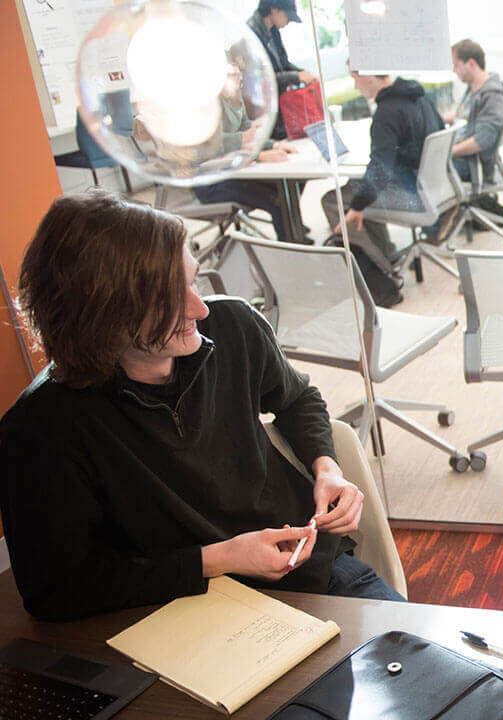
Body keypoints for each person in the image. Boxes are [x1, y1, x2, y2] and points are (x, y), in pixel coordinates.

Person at [0, 192, 404, 622]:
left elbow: (297, 399)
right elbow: (55, 590)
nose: (198, 306)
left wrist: (328, 469)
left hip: (311, 576)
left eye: (192, 281)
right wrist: (218, 559)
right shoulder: (40, 429)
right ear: (101, 314)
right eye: (169, 299)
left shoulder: (234, 327)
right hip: (171, 612)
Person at [323, 70, 445, 307]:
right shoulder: (420, 97)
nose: (355, 85)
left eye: (355, 78)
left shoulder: (387, 112)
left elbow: (381, 169)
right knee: (360, 192)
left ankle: (380, 273)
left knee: (335, 200)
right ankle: (386, 253)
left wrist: (358, 206)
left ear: (368, 76)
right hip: (430, 187)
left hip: (411, 195)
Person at [194, 43, 300, 244]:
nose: (239, 78)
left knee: (284, 188)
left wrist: (272, 145)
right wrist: (258, 154)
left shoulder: (233, 99)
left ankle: (296, 237)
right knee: (276, 199)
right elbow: (208, 147)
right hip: (211, 182)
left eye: (238, 73)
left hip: (233, 171)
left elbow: (248, 134)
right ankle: (291, 249)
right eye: (232, 75)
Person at [247, 0, 317, 140]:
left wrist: (302, 73)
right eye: (287, 15)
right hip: (263, 112)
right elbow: (260, 80)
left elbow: (283, 63)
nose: (289, 21)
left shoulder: (273, 31)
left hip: (280, 107)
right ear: (274, 10)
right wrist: (295, 76)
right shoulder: (250, 36)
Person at [444, 39, 503, 185]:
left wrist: (448, 152)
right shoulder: (474, 89)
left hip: (472, 167)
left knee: (421, 173)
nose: (454, 70)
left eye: (456, 65)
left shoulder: (493, 96)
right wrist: (441, 118)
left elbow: (482, 140)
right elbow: (465, 115)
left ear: (471, 64)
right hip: (461, 159)